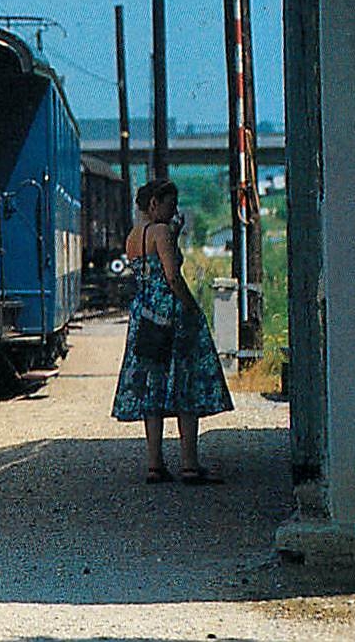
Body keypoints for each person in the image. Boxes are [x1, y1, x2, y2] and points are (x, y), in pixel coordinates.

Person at [112, 178, 233, 483]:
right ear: (154, 203)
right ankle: (190, 465)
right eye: (170, 204)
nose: (174, 210)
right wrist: (192, 308)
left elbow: (148, 272)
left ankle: (155, 464)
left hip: (144, 315)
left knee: (153, 389)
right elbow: (172, 277)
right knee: (184, 386)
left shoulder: (133, 236)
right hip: (171, 314)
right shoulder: (162, 232)